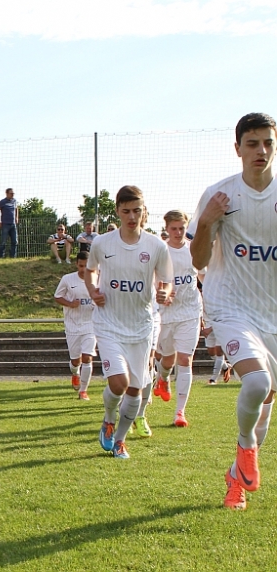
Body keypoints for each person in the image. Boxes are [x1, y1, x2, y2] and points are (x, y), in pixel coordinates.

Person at [188, 112, 277, 511]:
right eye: (253, 143)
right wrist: (208, 222)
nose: (261, 151)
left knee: (267, 397)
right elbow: (198, 259)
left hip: (272, 310)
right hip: (231, 306)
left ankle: (236, 478)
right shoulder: (219, 195)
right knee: (256, 383)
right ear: (237, 148)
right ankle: (245, 449)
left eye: (268, 143)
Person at [87, 185, 173, 461]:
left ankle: (120, 441)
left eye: (137, 210)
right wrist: (92, 290)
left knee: (136, 389)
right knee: (119, 384)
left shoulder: (156, 246)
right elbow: (90, 271)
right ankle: (108, 418)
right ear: (118, 211)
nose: (132, 217)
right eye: (126, 211)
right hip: (109, 324)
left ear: (144, 210)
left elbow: (166, 280)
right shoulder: (102, 243)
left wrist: (164, 292)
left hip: (141, 326)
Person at [152, 210, 202, 429]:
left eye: (182, 228)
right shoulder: (160, 251)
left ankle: (180, 412)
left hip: (190, 312)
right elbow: (151, 279)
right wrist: (161, 292)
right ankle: (162, 378)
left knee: (185, 359)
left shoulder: (194, 250)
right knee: (167, 359)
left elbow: (204, 275)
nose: (178, 232)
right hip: (166, 313)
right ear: (167, 229)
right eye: (174, 228)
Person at [54, 252, 96, 400]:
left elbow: (106, 297)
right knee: (75, 361)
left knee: (87, 357)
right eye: (81, 266)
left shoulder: (99, 279)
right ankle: (75, 372)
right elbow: (57, 296)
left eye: (86, 266)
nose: (83, 269)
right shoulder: (67, 279)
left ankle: (83, 391)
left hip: (91, 324)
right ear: (77, 264)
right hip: (72, 325)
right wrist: (70, 304)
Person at [0, 188, 19, 258]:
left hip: (13, 224)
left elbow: (16, 208)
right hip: (5, 224)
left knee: (15, 241)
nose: (12, 195)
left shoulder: (14, 201)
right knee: (3, 242)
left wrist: (16, 217)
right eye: (11, 193)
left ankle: (13, 257)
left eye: (13, 193)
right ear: (7, 194)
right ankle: (1, 257)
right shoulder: (2, 202)